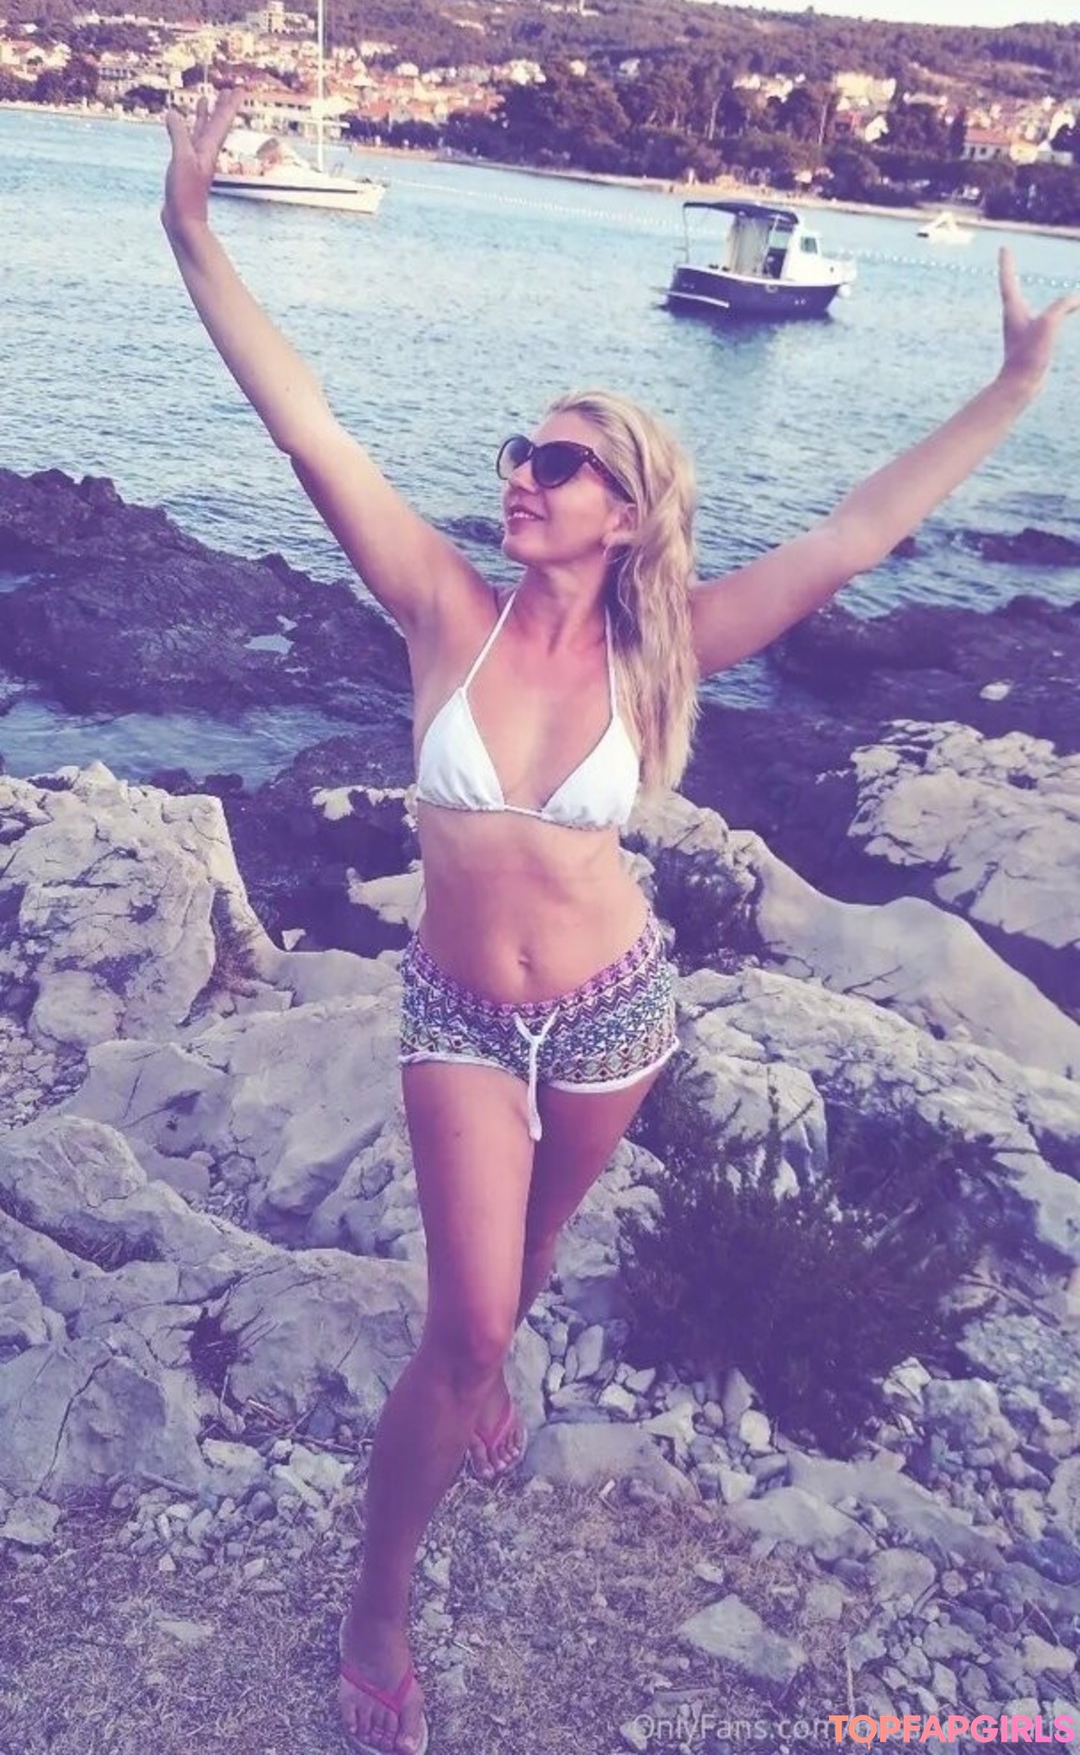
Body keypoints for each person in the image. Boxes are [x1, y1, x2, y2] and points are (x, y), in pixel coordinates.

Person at [162, 91, 1077, 1755]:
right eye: (520, 453)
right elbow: (307, 429)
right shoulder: (439, 608)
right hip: (456, 1011)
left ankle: (489, 1383)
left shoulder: (671, 653)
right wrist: (194, 232)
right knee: (468, 1321)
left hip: (613, 1012)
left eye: (562, 462)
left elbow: (859, 533)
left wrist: (1013, 388)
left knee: (532, 1262)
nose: (524, 474)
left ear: (628, 511)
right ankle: (381, 1600)